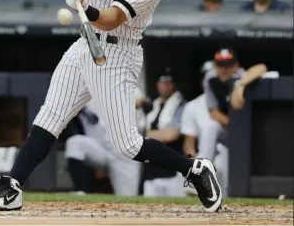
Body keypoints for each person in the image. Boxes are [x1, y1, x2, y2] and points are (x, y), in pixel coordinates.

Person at [0, 0, 223, 213]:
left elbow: (111, 19)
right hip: (85, 44)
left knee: (127, 146)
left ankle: (194, 170)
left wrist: (84, 5)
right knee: (49, 117)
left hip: (117, 54)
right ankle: (12, 187)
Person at [202, 49, 267, 181]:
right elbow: (213, 113)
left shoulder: (242, 76)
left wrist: (240, 84)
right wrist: (234, 125)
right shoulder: (211, 79)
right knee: (211, 127)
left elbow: (262, 67)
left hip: (253, 133)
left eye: (228, 65)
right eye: (220, 65)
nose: (223, 69)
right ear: (215, 66)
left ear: (236, 66)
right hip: (231, 130)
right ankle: (201, 174)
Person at [65, 88, 145, 196]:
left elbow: (141, 102)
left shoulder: (127, 87)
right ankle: (80, 192)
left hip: (124, 153)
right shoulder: (82, 93)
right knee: (75, 143)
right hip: (99, 148)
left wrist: (137, 104)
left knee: (128, 198)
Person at [181, 61, 229, 196]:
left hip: (229, 157)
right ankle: (199, 175)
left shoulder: (227, 97)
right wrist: (192, 163)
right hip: (206, 157)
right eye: (204, 77)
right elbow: (189, 144)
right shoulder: (192, 106)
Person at [142, 69, 186, 197]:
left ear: (174, 85)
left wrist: (144, 135)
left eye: (168, 82)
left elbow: (172, 135)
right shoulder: (152, 106)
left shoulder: (181, 105)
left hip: (172, 173)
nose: (165, 85)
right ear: (157, 84)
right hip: (151, 171)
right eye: (162, 82)